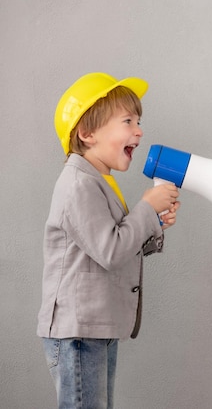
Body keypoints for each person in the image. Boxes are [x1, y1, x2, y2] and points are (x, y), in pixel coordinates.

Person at [37, 72, 181, 409]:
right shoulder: (78, 185)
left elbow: (111, 244)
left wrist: (153, 223)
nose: (139, 130)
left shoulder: (97, 181)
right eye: (128, 121)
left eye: (139, 121)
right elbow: (111, 251)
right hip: (78, 331)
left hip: (93, 327)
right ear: (87, 134)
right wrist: (146, 209)